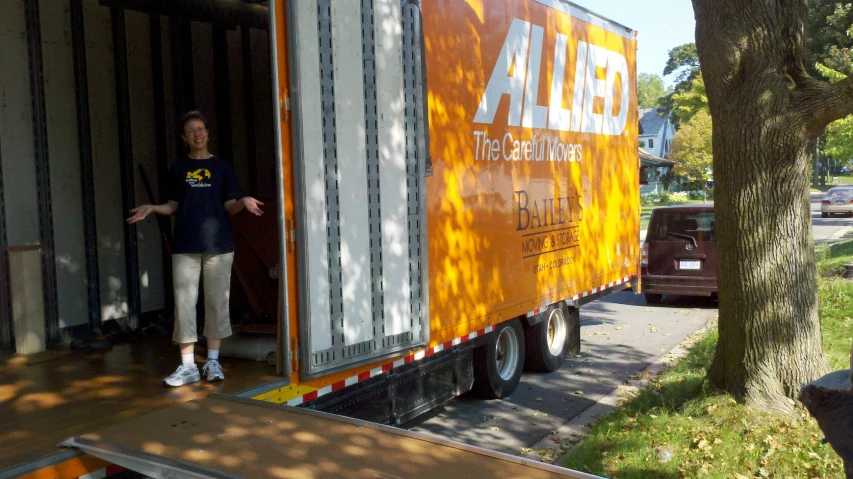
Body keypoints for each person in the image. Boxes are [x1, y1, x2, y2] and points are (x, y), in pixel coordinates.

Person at [127, 111, 263, 387]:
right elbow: (173, 206)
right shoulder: (178, 168)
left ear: (208, 133)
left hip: (219, 246)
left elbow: (230, 205)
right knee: (185, 304)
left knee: (216, 302)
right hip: (185, 246)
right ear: (184, 138)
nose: (197, 134)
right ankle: (188, 366)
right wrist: (152, 208)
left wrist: (244, 200)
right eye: (191, 131)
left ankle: (213, 361)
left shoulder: (222, 167)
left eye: (201, 129)